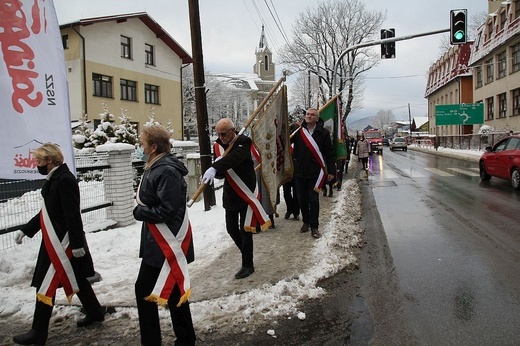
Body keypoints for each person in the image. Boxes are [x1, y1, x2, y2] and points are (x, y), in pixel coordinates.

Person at [13, 143, 105, 346]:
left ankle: (38, 332)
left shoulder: (64, 180)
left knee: (45, 285)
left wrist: (78, 244)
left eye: (38, 160)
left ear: (50, 160)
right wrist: (26, 230)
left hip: (64, 245)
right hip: (56, 241)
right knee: (79, 279)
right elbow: (46, 212)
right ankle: (95, 312)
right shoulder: (54, 179)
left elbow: (72, 214)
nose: (36, 164)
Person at [133, 125, 196, 346]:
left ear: (154, 146)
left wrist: (140, 211)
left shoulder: (166, 170)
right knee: (174, 292)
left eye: (143, 144)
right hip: (157, 241)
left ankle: (154, 341)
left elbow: (167, 210)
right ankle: (185, 339)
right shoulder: (156, 166)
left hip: (166, 241)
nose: (141, 147)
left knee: (146, 290)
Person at [202, 118, 270, 279]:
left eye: (224, 134)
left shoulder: (244, 142)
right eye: (218, 134)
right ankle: (246, 252)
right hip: (231, 193)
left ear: (233, 131)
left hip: (246, 191)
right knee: (231, 228)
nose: (221, 137)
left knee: (245, 230)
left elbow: (235, 159)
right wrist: (214, 170)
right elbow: (220, 172)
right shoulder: (218, 146)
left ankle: (248, 264)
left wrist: (216, 166)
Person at [291, 108, 335, 239]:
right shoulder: (298, 131)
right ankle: (306, 221)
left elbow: (329, 153)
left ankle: (314, 227)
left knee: (313, 200)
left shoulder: (324, 133)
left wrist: (331, 171)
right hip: (299, 172)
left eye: (312, 115)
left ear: (317, 118)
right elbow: (285, 141)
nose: (309, 116)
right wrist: (291, 127)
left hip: (315, 173)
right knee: (301, 199)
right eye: (308, 114)